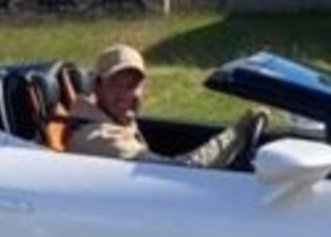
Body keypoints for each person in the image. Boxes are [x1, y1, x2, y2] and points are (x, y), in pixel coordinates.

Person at [67, 44, 266, 167]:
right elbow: (180, 172)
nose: (126, 94)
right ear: (97, 87)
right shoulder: (99, 137)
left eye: (133, 85)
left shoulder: (117, 122)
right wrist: (238, 133)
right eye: (115, 84)